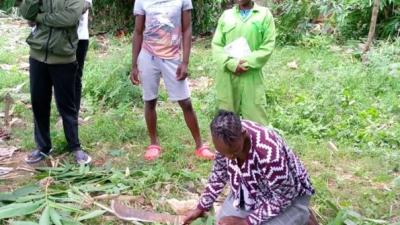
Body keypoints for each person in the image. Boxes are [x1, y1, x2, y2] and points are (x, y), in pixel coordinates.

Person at [183, 110, 315, 225]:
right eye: (224, 153)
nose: (229, 158)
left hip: (289, 197)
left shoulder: (269, 154)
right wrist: (201, 207)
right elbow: (219, 174)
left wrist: (246, 222)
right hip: (252, 192)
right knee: (222, 222)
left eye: (234, 152)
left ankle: (301, 214)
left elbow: (284, 198)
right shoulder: (225, 139)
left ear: (244, 134)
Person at [130, 0, 215, 161]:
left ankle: (199, 146)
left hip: (172, 58)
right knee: (150, 101)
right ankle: (154, 144)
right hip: (148, 57)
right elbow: (138, 31)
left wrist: (185, 62)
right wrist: (134, 64)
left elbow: (187, 28)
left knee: (186, 102)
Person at [20, 0, 91, 164]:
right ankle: (43, 147)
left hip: (63, 57)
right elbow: (26, 12)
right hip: (37, 55)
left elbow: (69, 18)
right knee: (38, 102)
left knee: (67, 105)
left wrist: (39, 17)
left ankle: (75, 146)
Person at [212, 0, 276, 125]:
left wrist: (245, 63)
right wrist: (231, 64)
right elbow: (217, 45)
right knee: (226, 123)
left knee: (256, 122)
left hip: (251, 75)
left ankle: (257, 144)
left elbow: (268, 46)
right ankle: (228, 144)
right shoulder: (226, 15)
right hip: (228, 76)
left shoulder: (264, 15)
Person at [75, 0, 92, 114]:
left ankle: (74, 113)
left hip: (80, 37)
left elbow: (83, 7)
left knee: (76, 76)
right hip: (59, 38)